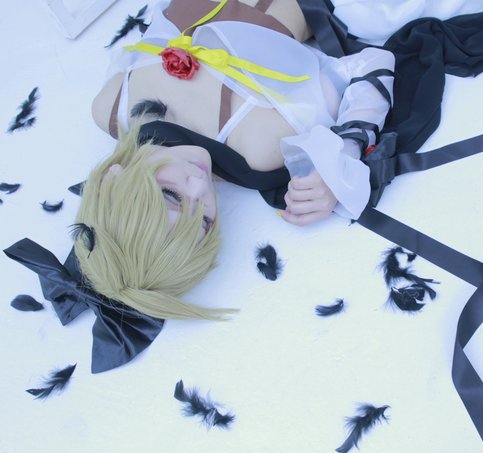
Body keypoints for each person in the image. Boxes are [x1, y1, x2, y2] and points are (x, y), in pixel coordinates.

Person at [79, 0, 395, 319]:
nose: (198, 187)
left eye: (171, 195)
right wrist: (340, 160)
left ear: (111, 178)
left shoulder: (109, 107)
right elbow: (372, 63)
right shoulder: (259, 141)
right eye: (204, 220)